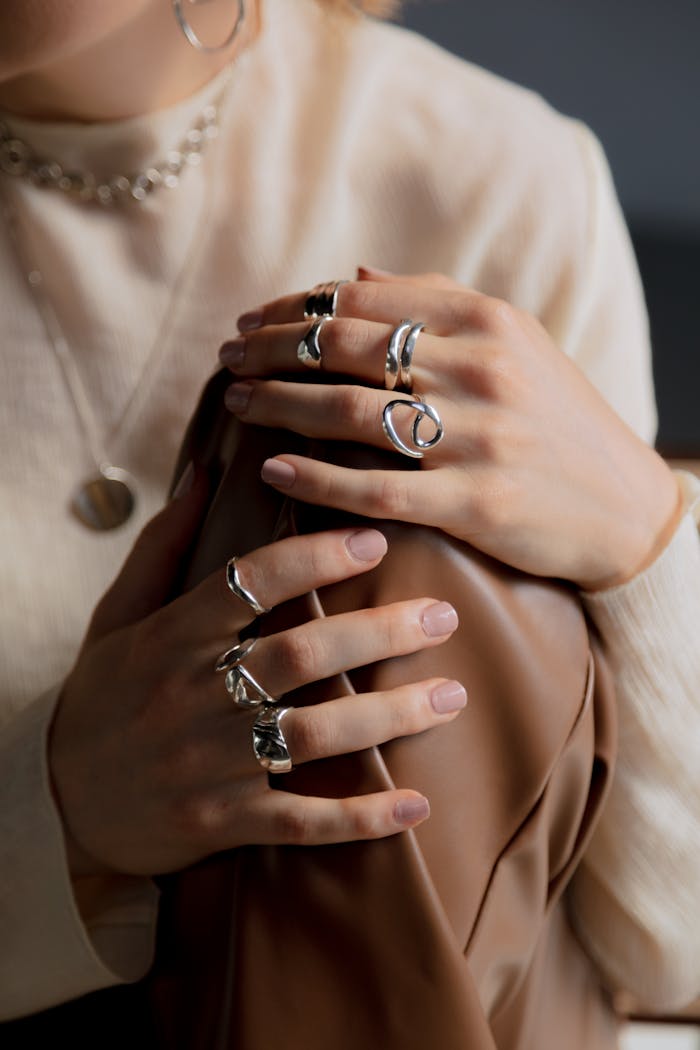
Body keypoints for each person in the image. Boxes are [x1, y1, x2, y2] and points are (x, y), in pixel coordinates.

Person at [0, 0, 698, 1031]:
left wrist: (642, 542)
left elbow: (671, 960)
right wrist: (55, 813)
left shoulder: (494, 177)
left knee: (385, 522)